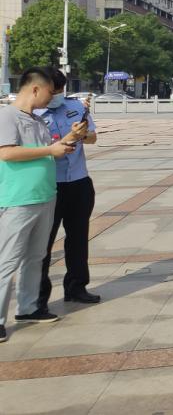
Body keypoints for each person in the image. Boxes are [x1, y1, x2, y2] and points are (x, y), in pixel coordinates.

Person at [0, 68, 78, 343]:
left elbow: (48, 151)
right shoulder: (6, 116)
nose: (52, 98)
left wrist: (68, 139)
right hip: (18, 199)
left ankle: (28, 307)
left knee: (35, 257)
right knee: (7, 260)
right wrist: (49, 150)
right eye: (50, 92)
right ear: (35, 89)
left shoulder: (36, 121)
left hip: (45, 195)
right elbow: (7, 152)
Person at [36, 69, 101, 312]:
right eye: (54, 91)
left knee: (78, 238)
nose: (58, 96)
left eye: (62, 91)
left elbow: (92, 137)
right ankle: (38, 297)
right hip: (49, 185)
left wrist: (82, 134)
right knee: (43, 243)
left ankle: (76, 286)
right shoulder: (32, 114)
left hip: (79, 182)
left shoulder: (75, 106)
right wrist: (67, 138)